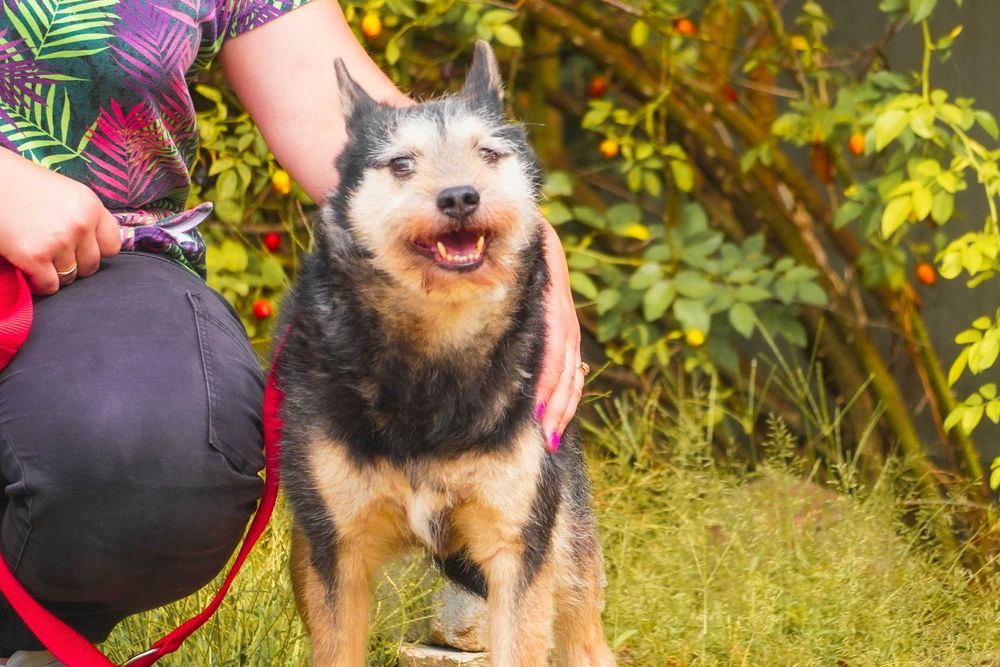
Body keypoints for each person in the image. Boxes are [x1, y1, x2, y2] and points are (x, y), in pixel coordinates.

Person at [0, 1, 584, 664]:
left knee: (160, 452)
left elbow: (353, 126)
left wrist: (526, 237)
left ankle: (30, 634)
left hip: (95, 261)